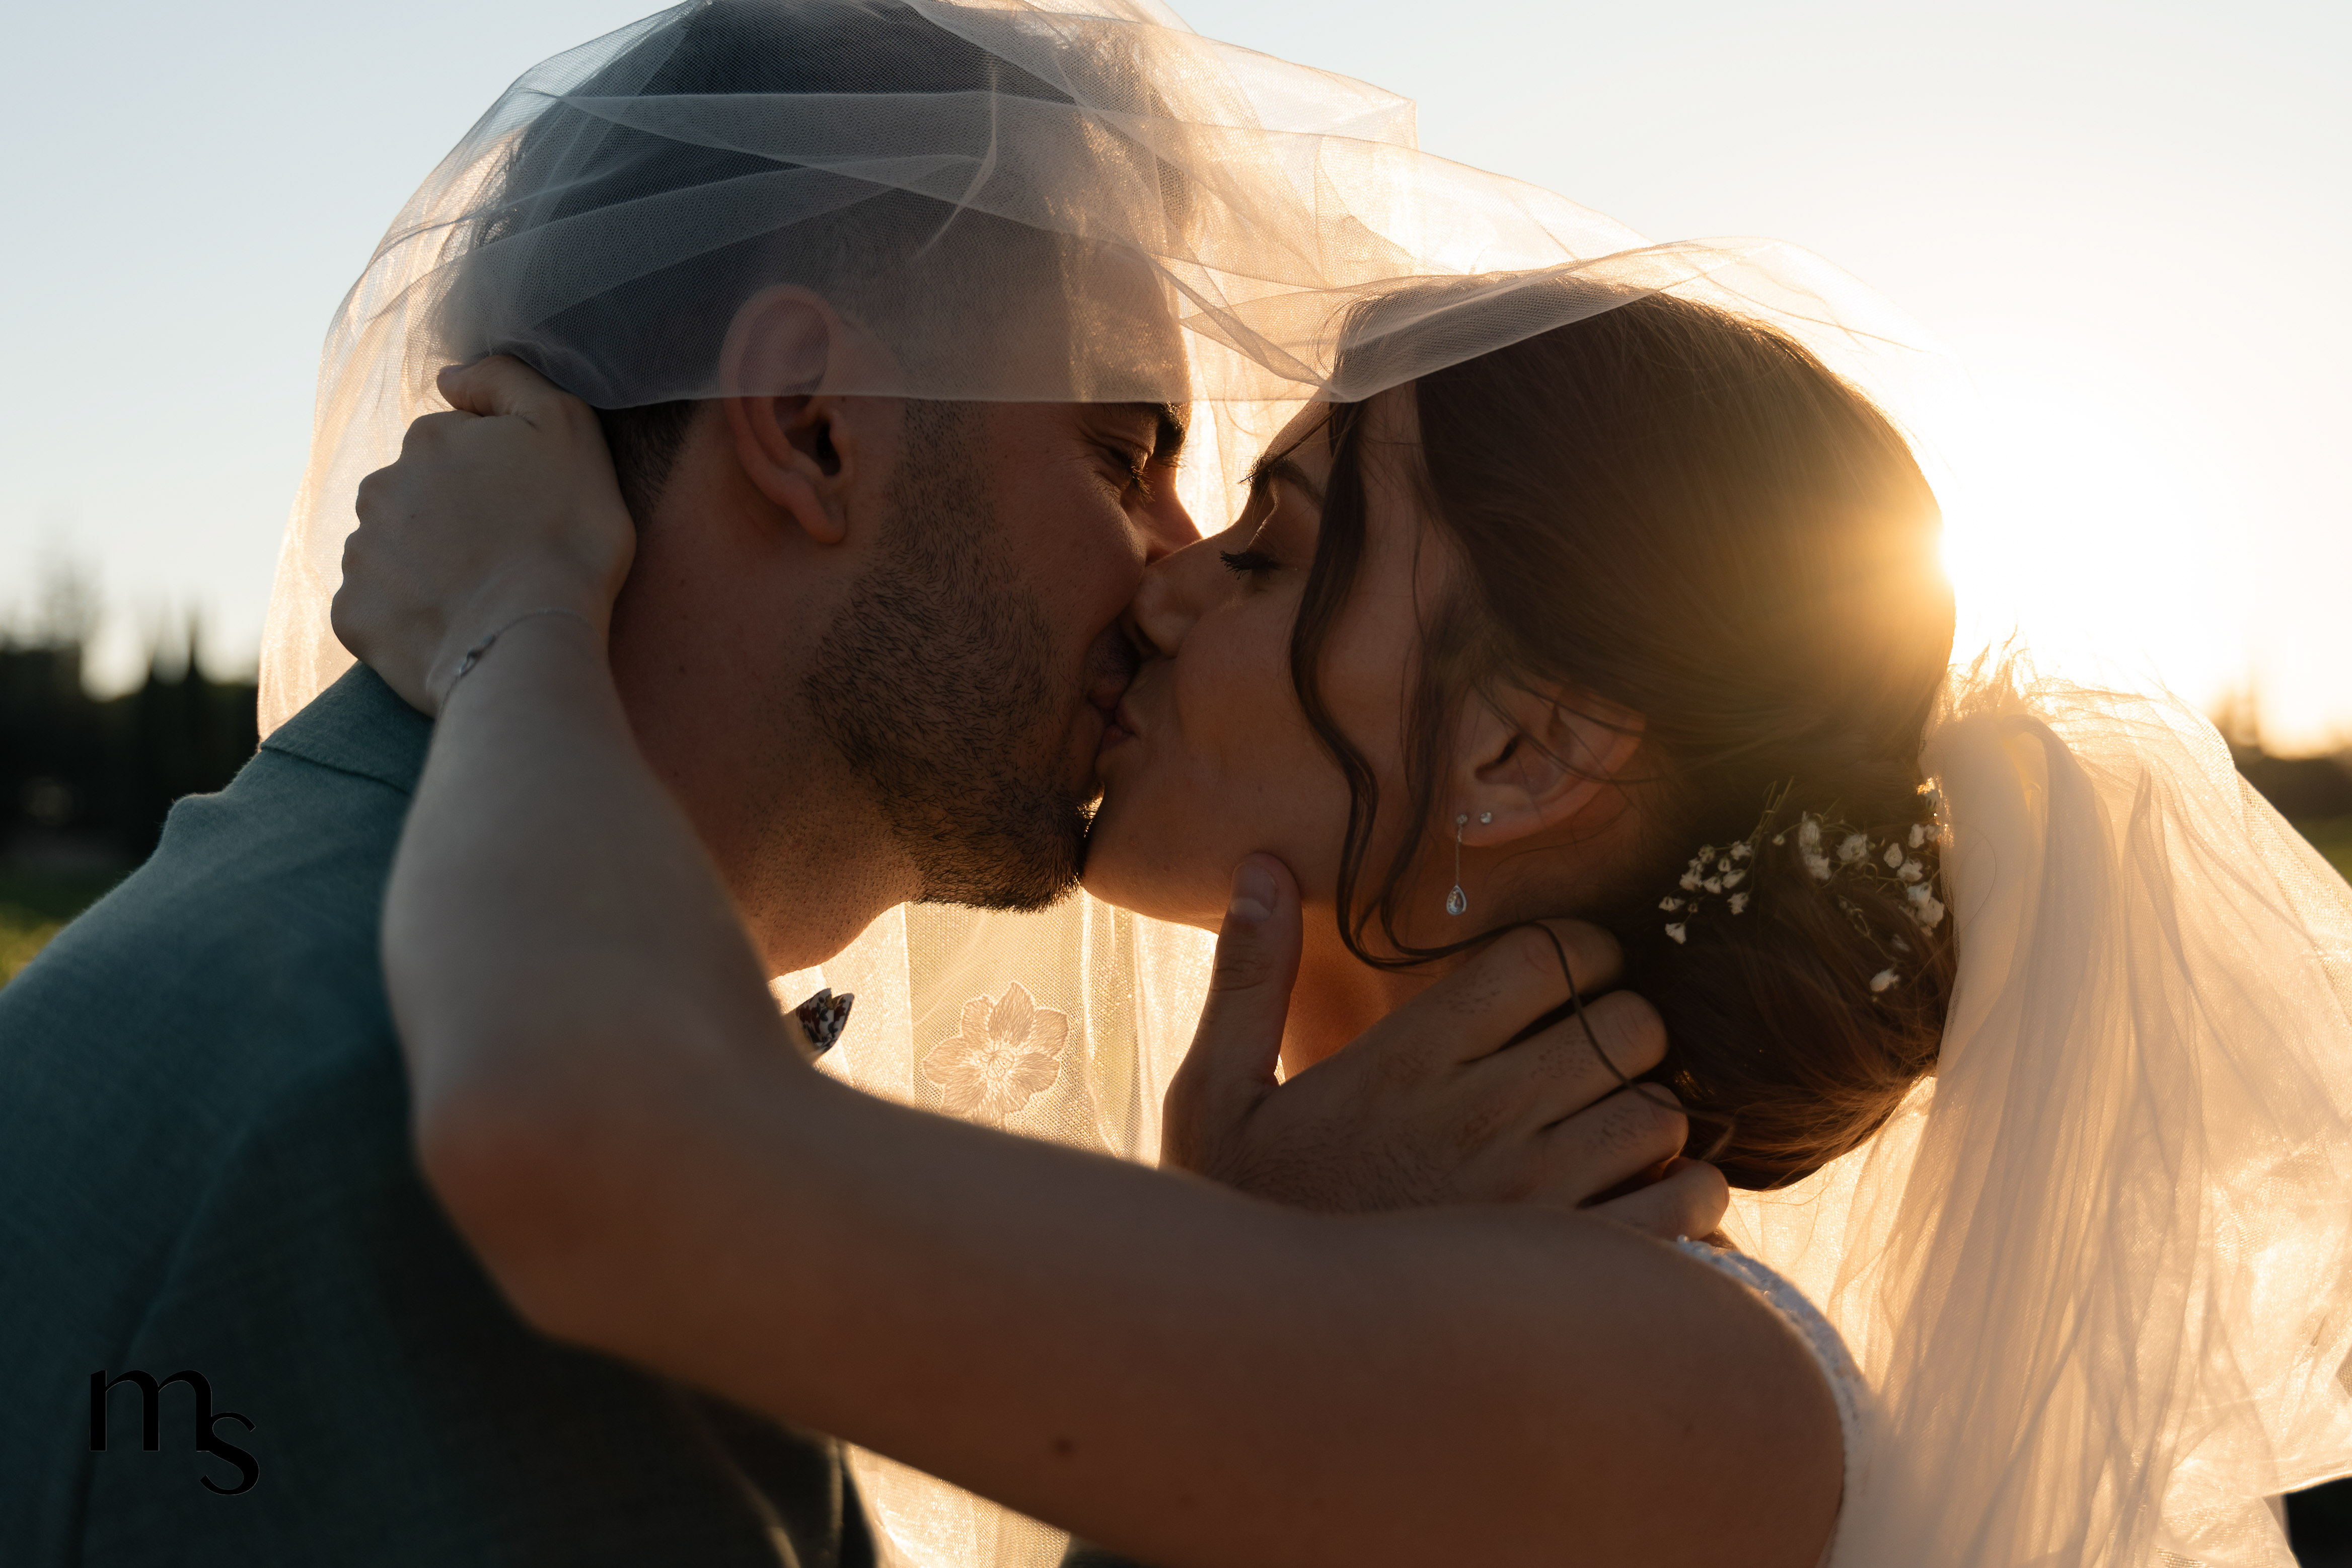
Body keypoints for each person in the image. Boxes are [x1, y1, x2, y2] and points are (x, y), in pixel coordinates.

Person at [0, 4, 1717, 1564]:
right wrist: (1297, 1317)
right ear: (812, 422)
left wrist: (1239, 1293)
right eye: (1123, 456)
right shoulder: (417, 1108)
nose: (1172, 570)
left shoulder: (386, 938)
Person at [344, 244, 2352, 1568]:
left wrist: (520, 616)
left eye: (1272, 547)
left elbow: (567, 1136)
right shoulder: (1474, 1297)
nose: (1158, 582)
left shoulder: (1664, 1374)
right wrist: (1253, 1243)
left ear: (1522, 754)